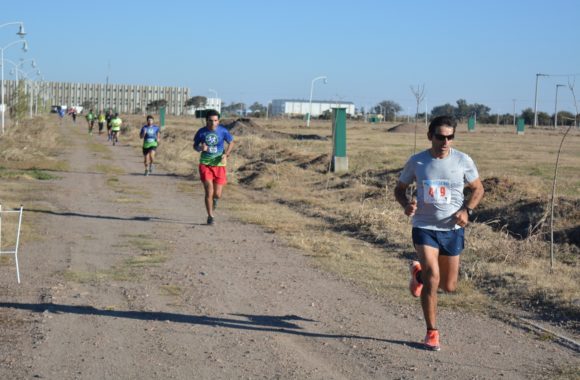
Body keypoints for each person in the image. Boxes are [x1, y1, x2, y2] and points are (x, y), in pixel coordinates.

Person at [394, 115, 484, 351]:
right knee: (434, 275)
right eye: (440, 137)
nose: (445, 142)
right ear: (430, 136)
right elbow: (399, 189)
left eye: (450, 137)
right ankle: (431, 332)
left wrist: (467, 211)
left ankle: (418, 276)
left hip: (452, 229)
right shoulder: (417, 161)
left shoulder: (463, 160)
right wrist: (406, 205)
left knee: (448, 286)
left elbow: (478, 189)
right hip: (424, 227)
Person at [192, 110, 234, 225]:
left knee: (217, 194)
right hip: (205, 164)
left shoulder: (223, 131)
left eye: (215, 121)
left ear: (218, 121)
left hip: (219, 165)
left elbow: (231, 142)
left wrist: (227, 154)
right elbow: (195, 146)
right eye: (210, 121)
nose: (213, 123)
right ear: (206, 121)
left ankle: (215, 200)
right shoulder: (201, 132)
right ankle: (210, 216)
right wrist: (200, 148)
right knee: (209, 191)